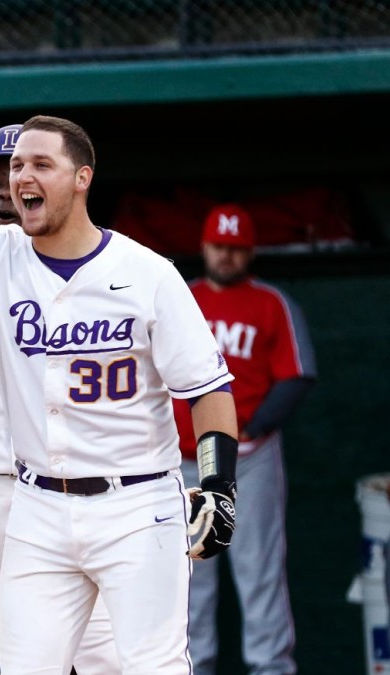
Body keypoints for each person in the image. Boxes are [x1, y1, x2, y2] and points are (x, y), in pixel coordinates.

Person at [0, 107, 240, 673]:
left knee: (149, 665)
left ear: (82, 177)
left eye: (41, 164)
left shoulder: (148, 273)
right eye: (17, 167)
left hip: (137, 505)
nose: (22, 178)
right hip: (38, 506)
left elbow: (207, 389)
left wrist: (217, 484)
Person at [0, 124, 120, 675]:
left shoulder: (96, 269)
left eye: (19, 173)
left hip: (69, 490)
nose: (7, 189)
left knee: (105, 656)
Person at [174, 203, 316, 675]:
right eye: (219, 246)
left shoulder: (272, 302)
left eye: (235, 248)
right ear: (204, 247)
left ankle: (271, 667)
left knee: (258, 569)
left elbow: (296, 375)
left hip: (249, 458)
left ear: (250, 252)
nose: (227, 256)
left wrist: (253, 426)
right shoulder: (180, 298)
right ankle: (193, 666)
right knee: (192, 575)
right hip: (184, 459)